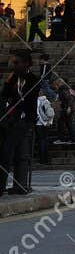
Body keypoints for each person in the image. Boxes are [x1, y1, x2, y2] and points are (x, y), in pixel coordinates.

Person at [1, 48, 41, 194]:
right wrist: (8, 81)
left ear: (26, 64)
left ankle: (8, 185)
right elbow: (4, 95)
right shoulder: (13, 78)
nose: (13, 64)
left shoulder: (33, 79)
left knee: (7, 151)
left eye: (16, 62)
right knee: (3, 150)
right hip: (10, 119)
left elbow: (26, 101)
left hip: (24, 119)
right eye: (13, 62)